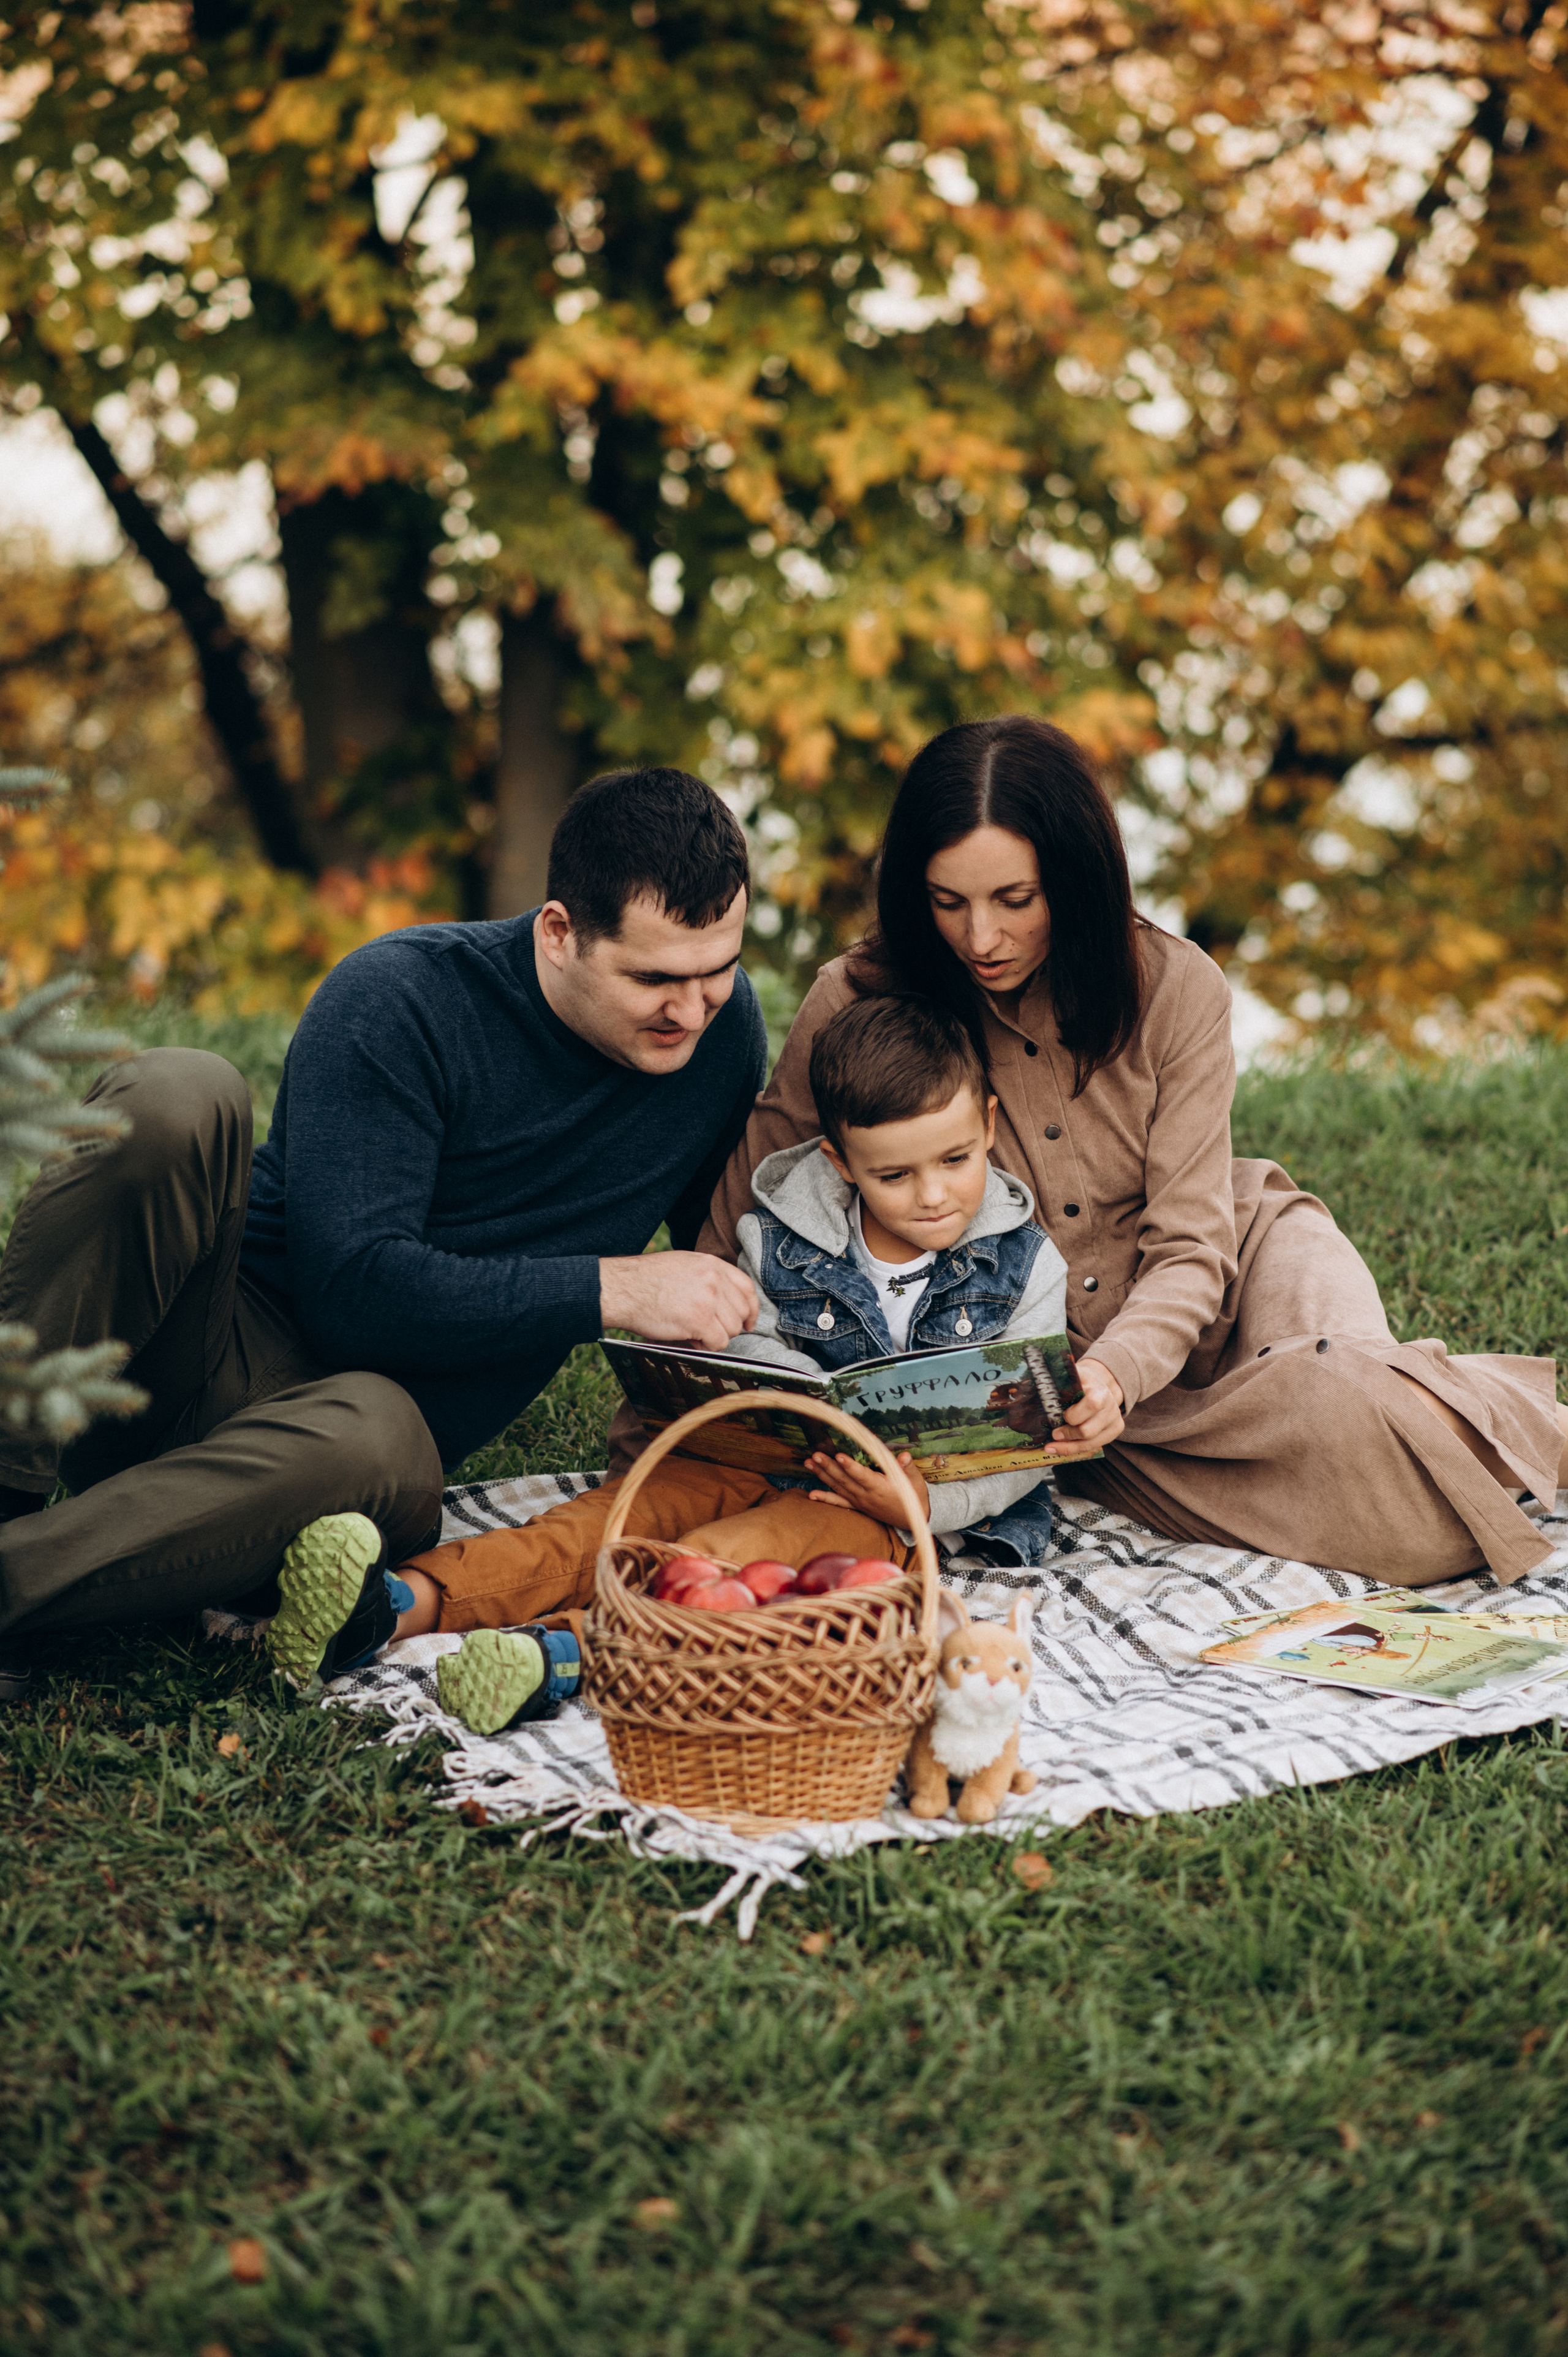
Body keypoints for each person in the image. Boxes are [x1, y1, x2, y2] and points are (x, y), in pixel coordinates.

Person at [701, 714, 1568, 1589]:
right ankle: (1464, 1419)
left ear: (1073, 881)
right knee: (1393, 1506)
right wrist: (669, 1430)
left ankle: (1484, 1420)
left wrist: (1120, 1368)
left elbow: (1196, 1246)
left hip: (1234, 1270)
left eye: (1015, 899)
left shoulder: (1176, 985)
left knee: (1347, 1387)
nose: (980, 939)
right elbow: (742, 1224)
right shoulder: (856, 1000)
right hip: (1077, 1391)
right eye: (947, 900)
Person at [0, 766, 766, 1703]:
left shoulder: (723, 1041)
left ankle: (18, 1584)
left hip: (343, 1469)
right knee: (177, 1092)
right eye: (653, 977)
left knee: (387, 1434)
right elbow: (355, 1294)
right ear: (560, 932)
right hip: (181, 1357)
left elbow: (717, 1255)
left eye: (716, 970)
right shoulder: (400, 998)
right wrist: (614, 1287)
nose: (690, 1010)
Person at [372, 992, 1069, 1738]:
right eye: (894, 1176)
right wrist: (782, 1384)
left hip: (873, 1513)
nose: (933, 1195)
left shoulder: (1028, 1267)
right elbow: (746, 1341)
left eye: (956, 1160)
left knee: (724, 1559)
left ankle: (568, 1650)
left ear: (988, 1125)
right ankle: (398, 1604)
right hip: (747, 1456)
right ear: (841, 1162)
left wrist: (919, 1508)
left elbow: (1027, 1442)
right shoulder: (783, 1233)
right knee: (603, 1522)